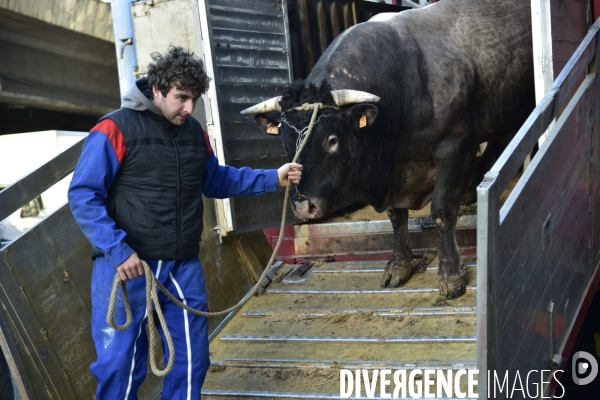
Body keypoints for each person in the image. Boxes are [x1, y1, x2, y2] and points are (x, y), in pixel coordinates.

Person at [68, 46, 301, 399]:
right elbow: (83, 195)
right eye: (181, 98)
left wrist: (274, 178)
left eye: (194, 99)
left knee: (193, 360)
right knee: (121, 367)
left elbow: (215, 180)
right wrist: (118, 250)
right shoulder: (115, 127)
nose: (189, 108)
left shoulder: (194, 133)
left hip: (181, 266)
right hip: (129, 267)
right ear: (157, 90)